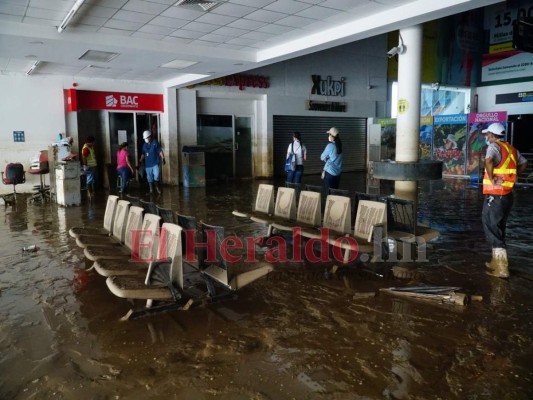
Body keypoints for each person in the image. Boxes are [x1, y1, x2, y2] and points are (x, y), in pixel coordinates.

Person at [481, 122, 528, 279]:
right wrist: (513, 177)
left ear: (493, 136)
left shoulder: (494, 147)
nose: (487, 137)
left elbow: (488, 161)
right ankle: (496, 261)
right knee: (499, 226)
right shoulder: (511, 149)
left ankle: (501, 267)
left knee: (490, 224)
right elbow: (524, 163)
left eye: (488, 135)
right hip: (507, 195)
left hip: (496, 194)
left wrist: (493, 177)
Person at [139, 130, 165, 195]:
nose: (146, 139)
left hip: (155, 163)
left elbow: (160, 151)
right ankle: (151, 190)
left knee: (157, 175)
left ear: (150, 137)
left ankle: (157, 188)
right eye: (145, 138)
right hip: (148, 165)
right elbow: (143, 154)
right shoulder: (144, 145)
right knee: (149, 178)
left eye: (147, 138)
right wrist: (140, 161)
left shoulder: (155, 142)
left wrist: (163, 158)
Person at [320, 127, 343, 192]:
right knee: (335, 192)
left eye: (329, 134)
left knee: (328, 193)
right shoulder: (339, 145)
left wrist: (327, 158)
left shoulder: (330, 146)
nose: (328, 136)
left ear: (332, 136)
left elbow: (322, 157)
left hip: (330, 173)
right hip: (338, 173)